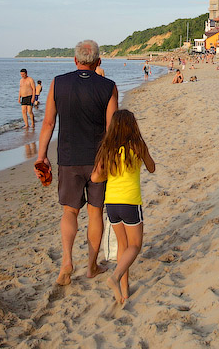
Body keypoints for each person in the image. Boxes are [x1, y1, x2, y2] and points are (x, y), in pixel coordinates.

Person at [36, 40, 119, 285]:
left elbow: (48, 123)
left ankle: (66, 262)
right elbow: (112, 128)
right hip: (98, 161)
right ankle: (91, 266)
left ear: (75, 60)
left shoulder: (58, 83)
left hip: (69, 159)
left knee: (69, 212)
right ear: (98, 62)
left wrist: (41, 156)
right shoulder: (108, 87)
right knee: (95, 213)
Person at [90, 110, 156, 305]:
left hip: (111, 203)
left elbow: (95, 177)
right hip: (130, 202)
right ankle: (115, 277)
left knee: (123, 245)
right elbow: (152, 167)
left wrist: (109, 174)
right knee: (135, 245)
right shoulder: (137, 145)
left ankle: (124, 291)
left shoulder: (107, 148)